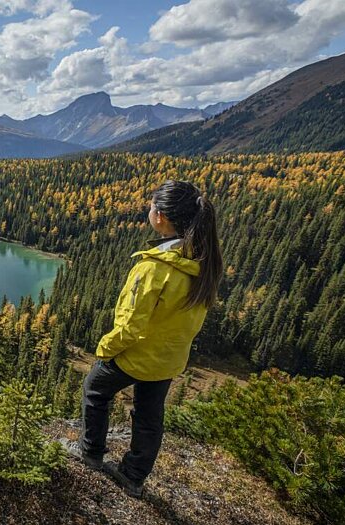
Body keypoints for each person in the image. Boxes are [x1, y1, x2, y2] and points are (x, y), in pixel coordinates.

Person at [61, 180, 223, 498]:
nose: (149, 210)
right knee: (150, 415)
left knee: (95, 389)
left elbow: (130, 326)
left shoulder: (153, 269)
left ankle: (90, 454)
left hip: (139, 355)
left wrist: (104, 351)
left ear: (160, 217)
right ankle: (133, 477)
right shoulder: (204, 263)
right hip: (170, 359)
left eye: (151, 206)